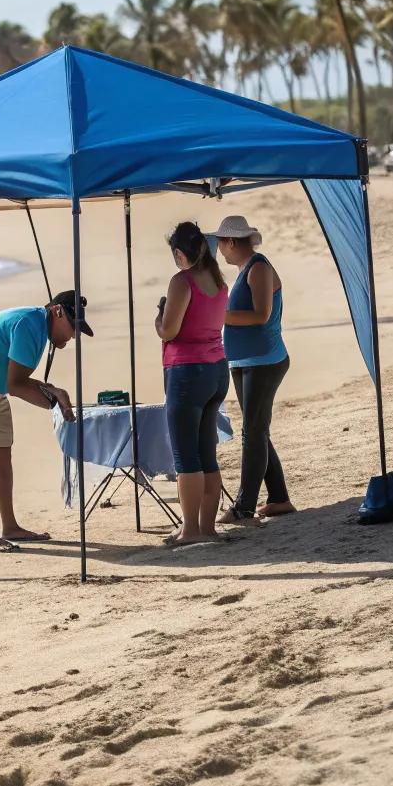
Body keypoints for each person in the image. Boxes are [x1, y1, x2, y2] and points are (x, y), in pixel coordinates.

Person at [0, 290, 93, 552]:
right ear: (57, 311)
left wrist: (54, 393)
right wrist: (54, 401)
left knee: (3, 449)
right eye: (72, 327)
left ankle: (10, 526)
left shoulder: (38, 326)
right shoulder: (30, 327)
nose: (73, 335)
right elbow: (17, 385)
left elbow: (18, 381)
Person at [214, 214, 294, 523]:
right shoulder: (244, 270)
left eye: (221, 242)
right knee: (257, 430)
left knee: (253, 431)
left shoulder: (259, 267)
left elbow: (261, 315)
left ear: (232, 242)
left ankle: (244, 507)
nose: (220, 249)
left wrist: (220, 315)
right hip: (246, 362)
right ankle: (279, 499)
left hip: (265, 361)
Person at [154, 221, 229, 545]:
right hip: (216, 368)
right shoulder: (217, 280)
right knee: (206, 453)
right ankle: (206, 527)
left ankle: (191, 530)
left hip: (187, 372)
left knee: (187, 457)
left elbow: (169, 330)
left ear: (180, 253)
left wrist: (158, 318)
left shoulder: (182, 281)